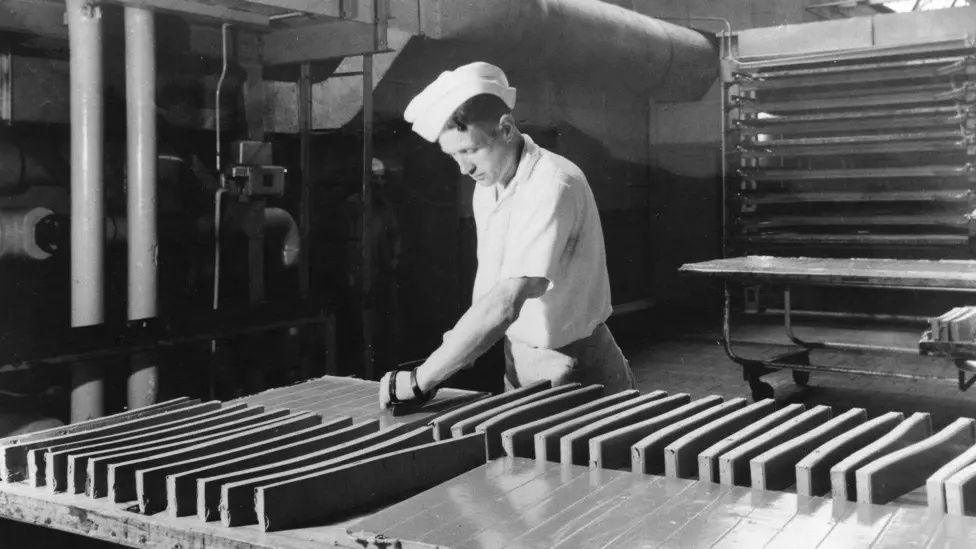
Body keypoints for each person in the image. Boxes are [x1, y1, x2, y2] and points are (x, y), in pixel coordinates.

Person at [379, 62, 635, 407]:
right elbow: (489, 298)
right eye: (452, 155)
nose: (464, 168)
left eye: (469, 151)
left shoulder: (552, 183)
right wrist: (444, 358)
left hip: (575, 369)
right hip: (518, 361)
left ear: (506, 128)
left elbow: (505, 303)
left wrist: (421, 379)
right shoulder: (489, 184)